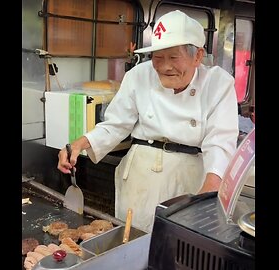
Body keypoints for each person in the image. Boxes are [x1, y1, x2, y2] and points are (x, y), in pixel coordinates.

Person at [57, 10, 239, 233]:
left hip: (190, 177)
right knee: (132, 238)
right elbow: (116, 124)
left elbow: (220, 143)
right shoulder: (138, 75)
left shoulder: (218, 84)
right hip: (140, 175)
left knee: (179, 245)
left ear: (198, 56)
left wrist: (209, 191)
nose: (164, 66)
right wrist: (78, 145)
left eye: (173, 57)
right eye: (158, 57)